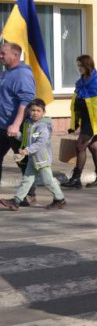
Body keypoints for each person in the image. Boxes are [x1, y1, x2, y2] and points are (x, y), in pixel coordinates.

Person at [0, 99, 66, 211]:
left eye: (38, 110)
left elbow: (41, 142)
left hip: (42, 159)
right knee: (27, 180)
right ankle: (16, 201)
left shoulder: (43, 126)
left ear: (43, 112)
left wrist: (27, 151)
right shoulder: (29, 123)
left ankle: (60, 199)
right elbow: (25, 139)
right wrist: (16, 134)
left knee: (48, 181)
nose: (35, 113)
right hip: (32, 159)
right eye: (33, 110)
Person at [0, 42, 37, 205]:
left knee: (22, 160)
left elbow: (26, 101)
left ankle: (30, 195)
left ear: (15, 55)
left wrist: (16, 125)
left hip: (16, 127)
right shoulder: (6, 73)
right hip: (2, 125)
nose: (0, 56)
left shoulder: (22, 74)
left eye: (3, 53)